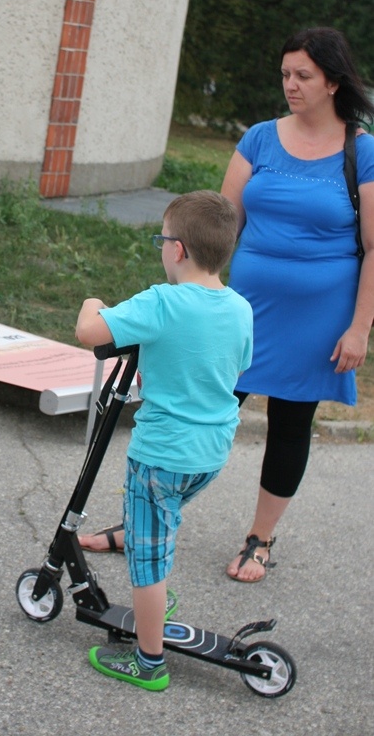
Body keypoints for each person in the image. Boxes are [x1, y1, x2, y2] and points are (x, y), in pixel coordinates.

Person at [80, 27, 374, 582]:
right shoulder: (261, 138)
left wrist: (359, 326)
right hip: (242, 308)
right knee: (198, 407)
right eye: (285, 73)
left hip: (320, 316)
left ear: (334, 82)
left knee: (290, 421)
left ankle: (259, 540)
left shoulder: (362, 150)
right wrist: (184, 290)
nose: (290, 84)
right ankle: (140, 521)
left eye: (303, 75)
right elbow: (219, 219)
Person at [77, 191, 253, 692]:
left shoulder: (162, 301)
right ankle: (146, 574)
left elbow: (89, 331)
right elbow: (237, 366)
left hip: (161, 453)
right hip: (211, 452)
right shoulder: (240, 308)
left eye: (161, 238)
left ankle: (149, 661)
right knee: (161, 516)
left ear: (177, 250)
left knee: (148, 563)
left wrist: (95, 301)